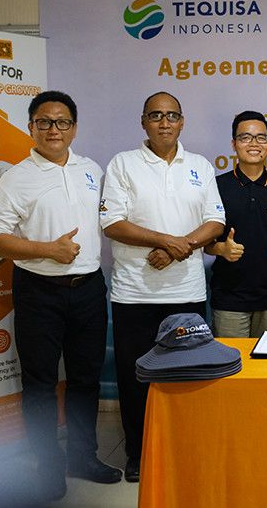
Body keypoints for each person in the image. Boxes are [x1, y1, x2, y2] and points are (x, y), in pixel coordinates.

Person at [0, 91, 122, 501]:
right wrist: (48, 249)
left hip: (89, 289)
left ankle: (83, 457)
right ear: (31, 128)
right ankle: (48, 468)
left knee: (85, 380)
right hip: (39, 292)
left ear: (74, 128)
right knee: (41, 385)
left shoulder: (91, 169)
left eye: (62, 122)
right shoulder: (16, 178)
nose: (53, 129)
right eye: (44, 122)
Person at [100, 92, 225, 482]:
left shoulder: (200, 165)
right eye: (156, 115)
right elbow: (112, 223)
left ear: (182, 122)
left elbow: (216, 222)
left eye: (172, 115)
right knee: (136, 378)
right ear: (143, 121)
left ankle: (183, 452)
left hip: (187, 294)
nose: (164, 122)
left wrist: (176, 248)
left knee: (186, 379)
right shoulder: (123, 164)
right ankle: (138, 454)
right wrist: (167, 241)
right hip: (134, 294)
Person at [206, 110, 267, 336]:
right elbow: (205, 243)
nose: (254, 143)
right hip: (229, 298)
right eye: (245, 137)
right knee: (232, 359)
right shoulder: (217, 186)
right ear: (234, 143)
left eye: (261, 137)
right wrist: (222, 249)